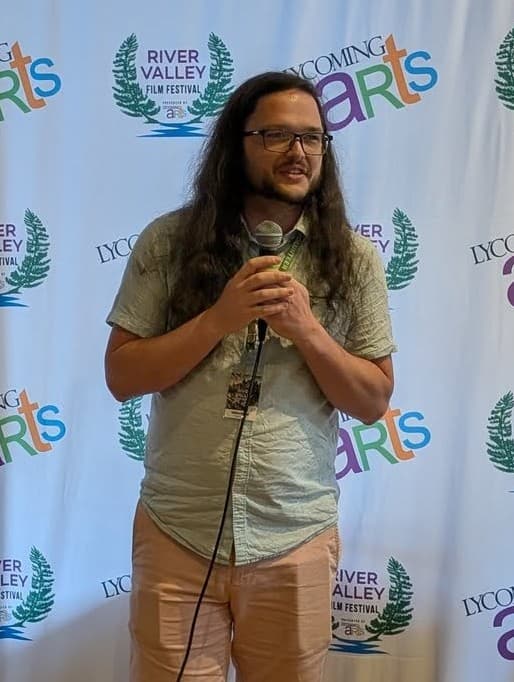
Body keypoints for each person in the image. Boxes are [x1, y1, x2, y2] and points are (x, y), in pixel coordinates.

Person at [105, 70, 396, 682]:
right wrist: (219, 319)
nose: (298, 152)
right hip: (179, 531)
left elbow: (372, 401)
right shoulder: (169, 242)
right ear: (236, 144)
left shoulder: (354, 257)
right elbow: (122, 375)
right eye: (276, 135)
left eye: (312, 138)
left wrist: (308, 330)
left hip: (294, 534)